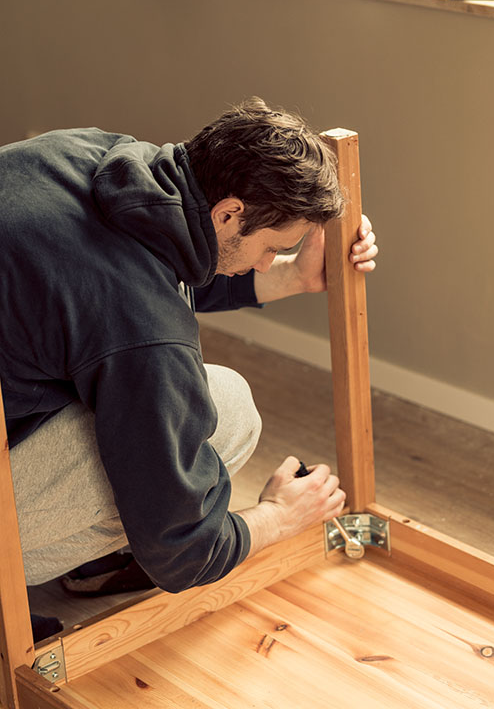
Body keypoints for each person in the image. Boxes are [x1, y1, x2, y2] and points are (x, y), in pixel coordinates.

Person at [0, 98, 377, 638]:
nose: (269, 260)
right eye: (273, 247)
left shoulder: (89, 154)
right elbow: (183, 552)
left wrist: (293, 275)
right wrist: (276, 516)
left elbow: (139, 276)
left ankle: (83, 557)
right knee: (226, 409)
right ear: (228, 213)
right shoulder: (141, 327)